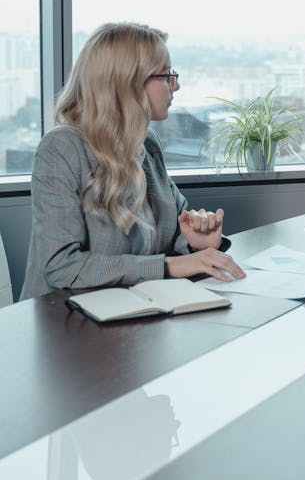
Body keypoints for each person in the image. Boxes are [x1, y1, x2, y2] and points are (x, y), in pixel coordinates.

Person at [21, 22, 245, 299]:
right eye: (167, 76)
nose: (176, 85)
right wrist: (168, 266)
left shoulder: (147, 143)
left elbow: (172, 232)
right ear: (129, 83)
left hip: (136, 312)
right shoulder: (62, 149)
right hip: (66, 322)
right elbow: (62, 267)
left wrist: (195, 245)